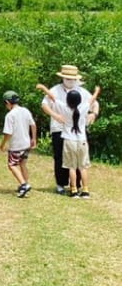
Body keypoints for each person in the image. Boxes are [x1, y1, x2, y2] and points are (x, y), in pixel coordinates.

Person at [39, 65, 96, 194]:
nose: (70, 81)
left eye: (72, 79)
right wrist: (55, 115)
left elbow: (94, 103)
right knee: (60, 157)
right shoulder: (56, 90)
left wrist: (93, 114)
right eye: (67, 78)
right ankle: (61, 184)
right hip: (58, 128)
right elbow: (45, 104)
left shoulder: (82, 91)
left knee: (78, 160)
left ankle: (75, 185)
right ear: (63, 78)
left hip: (77, 131)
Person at [0, 91, 37, 197]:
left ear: (7, 102)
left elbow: (8, 133)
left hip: (16, 146)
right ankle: (26, 183)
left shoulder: (10, 115)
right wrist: (33, 139)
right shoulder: (25, 110)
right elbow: (33, 125)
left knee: (12, 165)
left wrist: (2, 144)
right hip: (26, 144)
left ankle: (24, 185)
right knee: (23, 164)